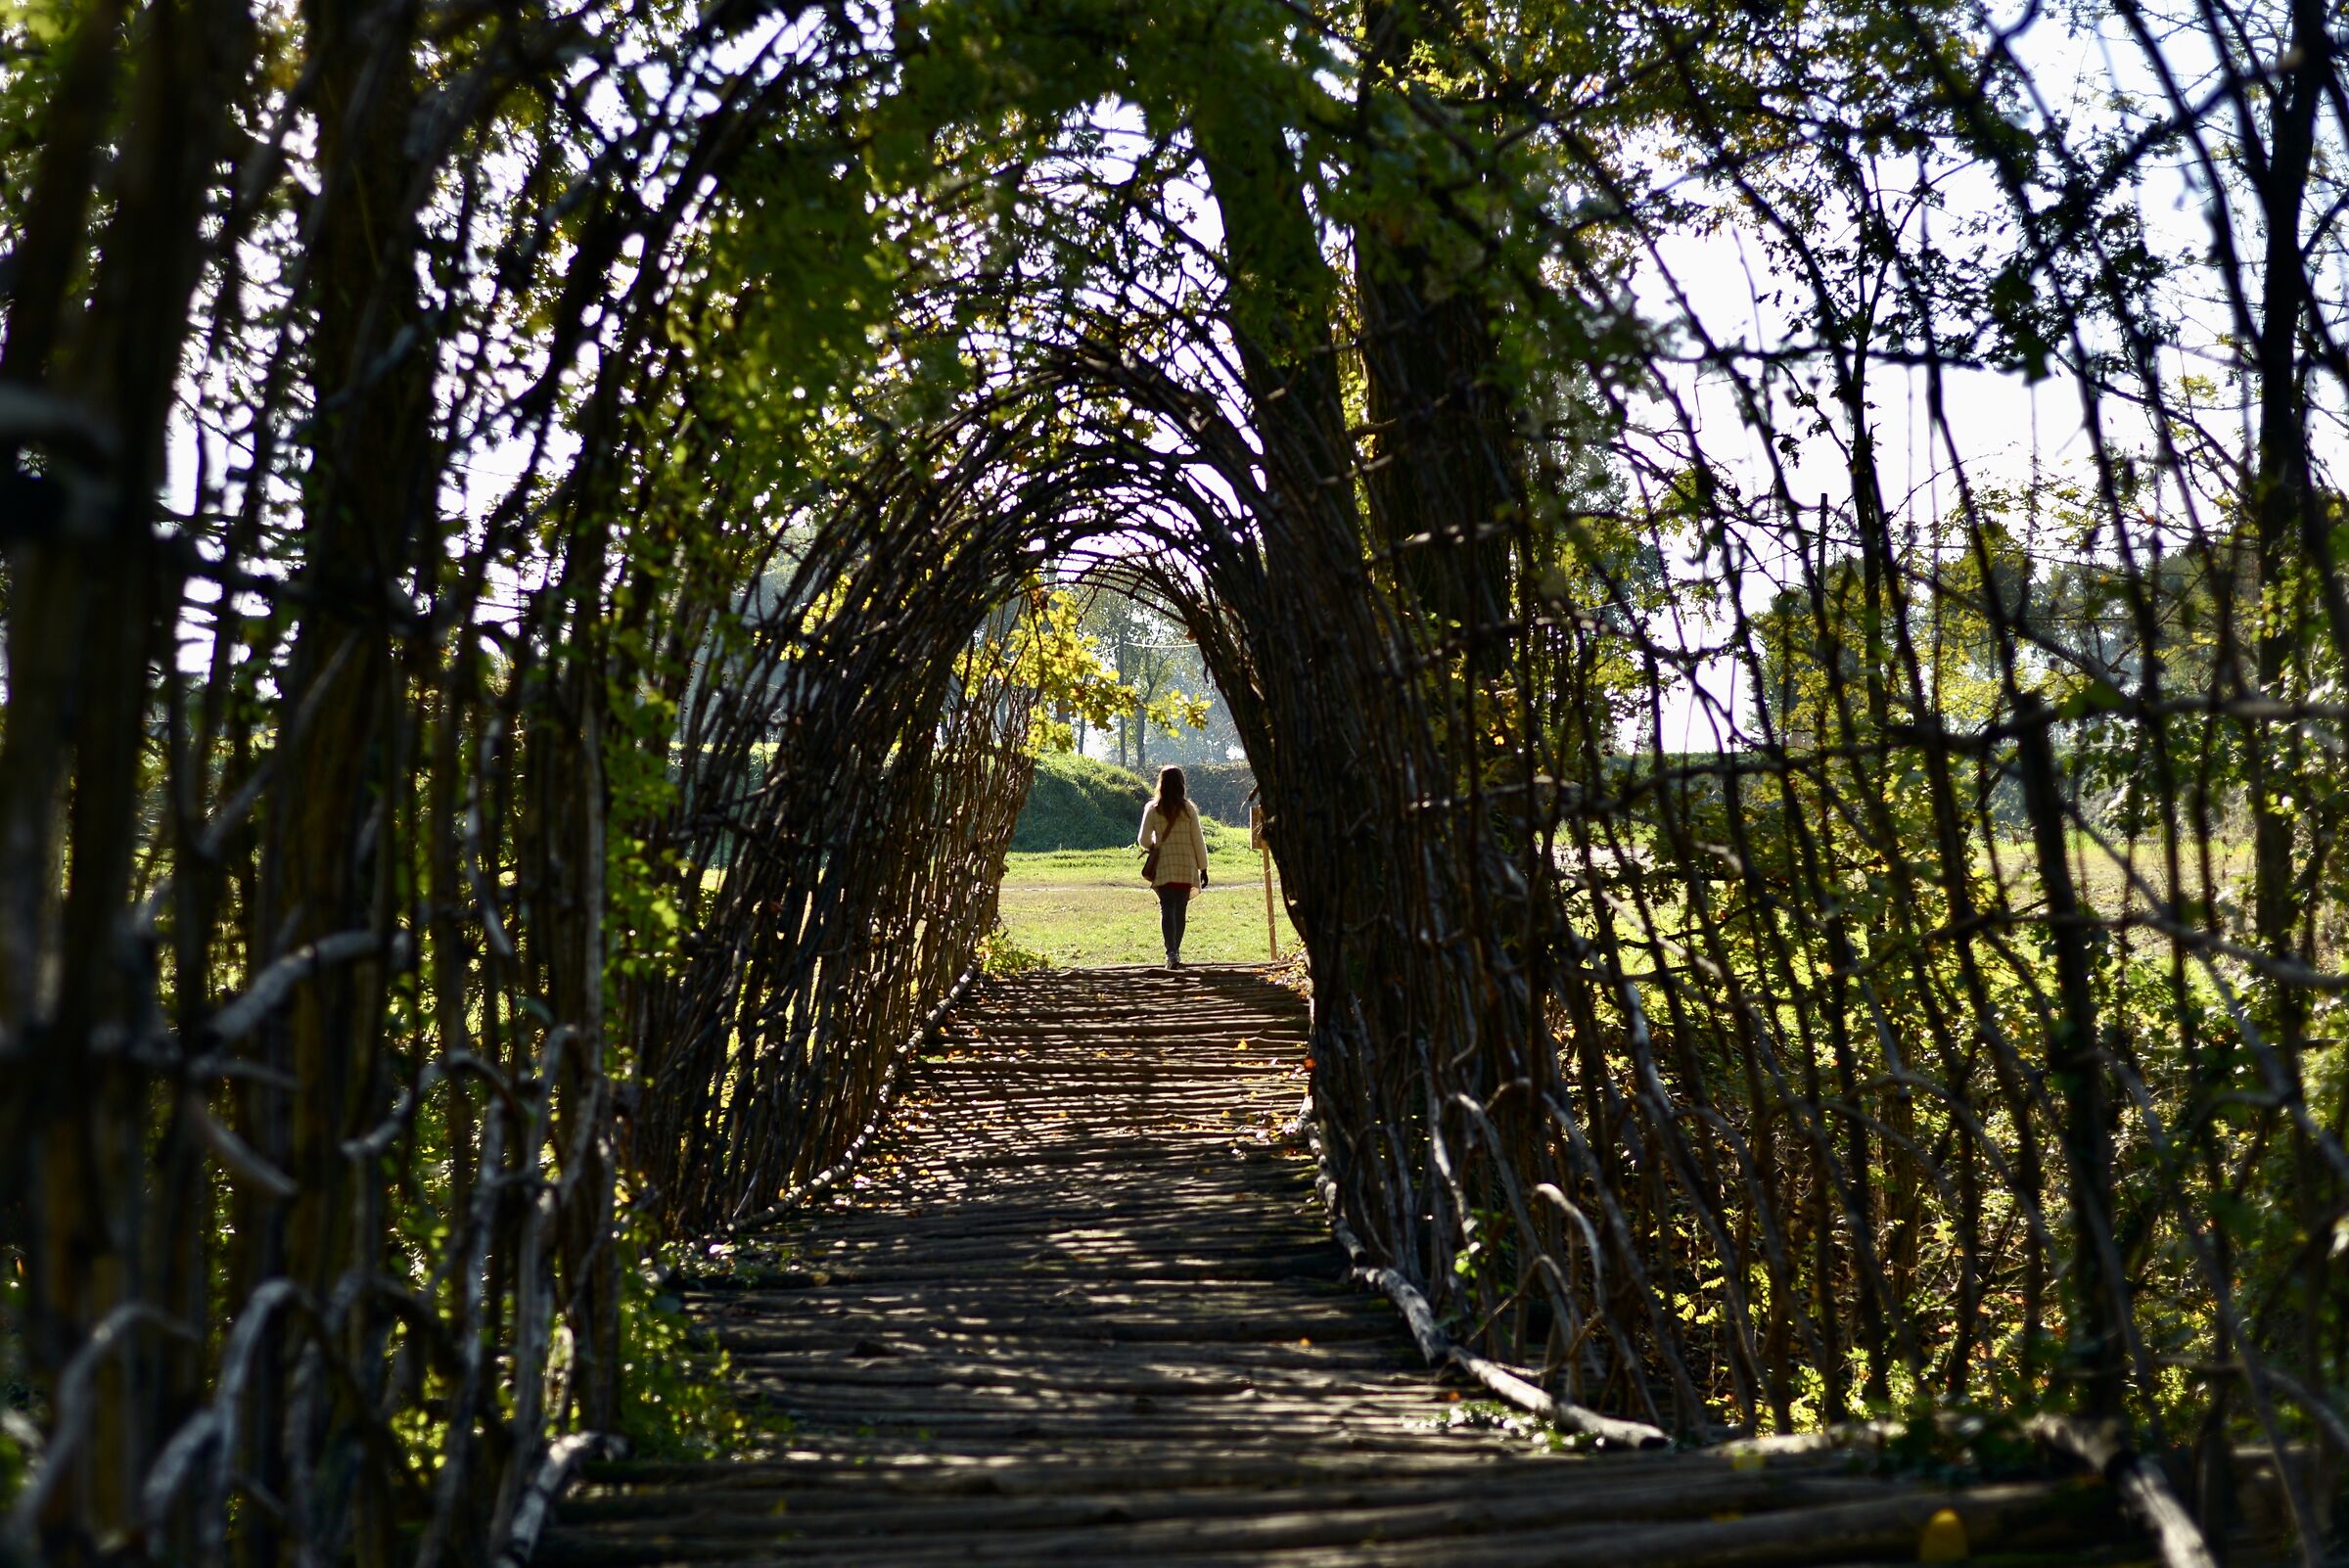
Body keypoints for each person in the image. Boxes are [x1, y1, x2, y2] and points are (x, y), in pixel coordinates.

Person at [1137, 764, 1209, 967]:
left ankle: (1171, 953)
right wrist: (1203, 868)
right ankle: (1176, 951)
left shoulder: (1153, 809)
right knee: (1180, 910)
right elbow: (1198, 840)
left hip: (1165, 865)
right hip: (1186, 866)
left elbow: (1142, 839)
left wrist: (1155, 845)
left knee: (1166, 908)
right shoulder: (1188, 810)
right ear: (1181, 785)